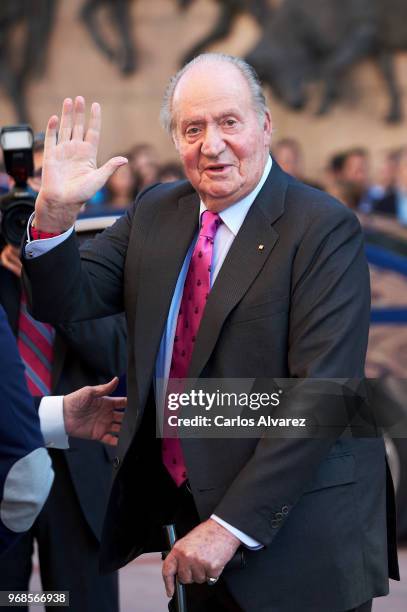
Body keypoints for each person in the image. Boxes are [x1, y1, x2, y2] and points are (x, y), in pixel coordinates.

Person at [22, 53, 398, 612]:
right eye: (193, 128)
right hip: (189, 527)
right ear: (175, 139)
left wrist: (228, 527)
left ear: (266, 126)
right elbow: (66, 301)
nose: (212, 144)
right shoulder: (155, 212)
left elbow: (323, 397)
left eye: (229, 122)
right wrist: (53, 213)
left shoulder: (321, 227)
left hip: (299, 542)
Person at [0, 135, 126, 612]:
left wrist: (51, 272)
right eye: (22, 181)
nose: (32, 192)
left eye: (41, 177)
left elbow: (118, 352)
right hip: (5, 464)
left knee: (77, 602)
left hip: (79, 471)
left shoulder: (98, 252)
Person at [0, 303, 125, 555]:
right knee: (8, 595)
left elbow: (120, 355)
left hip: (84, 462)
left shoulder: (94, 267)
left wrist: (49, 282)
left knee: (75, 595)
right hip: (7, 469)